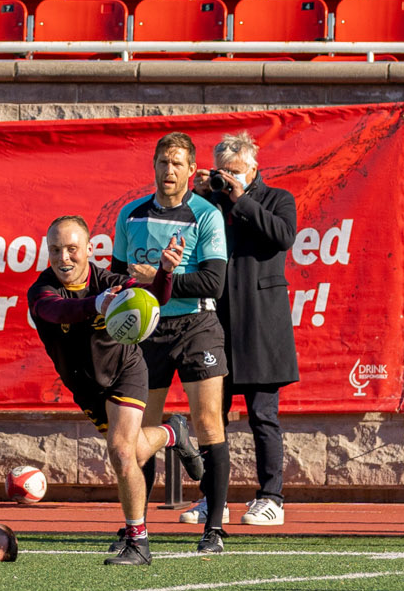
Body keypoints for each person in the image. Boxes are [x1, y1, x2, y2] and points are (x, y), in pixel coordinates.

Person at [29, 216, 189, 566]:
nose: (64, 258)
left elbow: (154, 300)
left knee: (120, 454)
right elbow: (56, 311)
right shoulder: (42, 290)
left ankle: (138, 542)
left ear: (89, 249)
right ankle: (171, 432)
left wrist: (164, 272)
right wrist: (95, 305)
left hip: (125, 371)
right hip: (85, 386)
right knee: (130, 451)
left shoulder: (111, 282)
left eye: (72, 249)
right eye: (56, 250)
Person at [110, 132, 232, 550]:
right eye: (163, 162)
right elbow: (116, 276)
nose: (169, 170)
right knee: (139, 432)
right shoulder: (130, 215)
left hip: (197, 326)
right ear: (154, 167)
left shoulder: (207, 215)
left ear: (191, 170)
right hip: (148, 331)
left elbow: (214, 282)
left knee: (209, 423)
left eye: (178, 163)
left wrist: (160, 278)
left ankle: (213, 529)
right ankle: (135, 527)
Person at [196, 132, 298, 527]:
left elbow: (282, 236)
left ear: (254, 169)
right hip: (216, 320)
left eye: (236, 171)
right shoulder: (209, 203)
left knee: (262, 414)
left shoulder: (277, 199)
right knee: (211, 414)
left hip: (261, 321)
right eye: (224, 172)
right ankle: (213, 499)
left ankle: (272, 496)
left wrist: (241, 198)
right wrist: (203, 194)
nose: (229, 178)